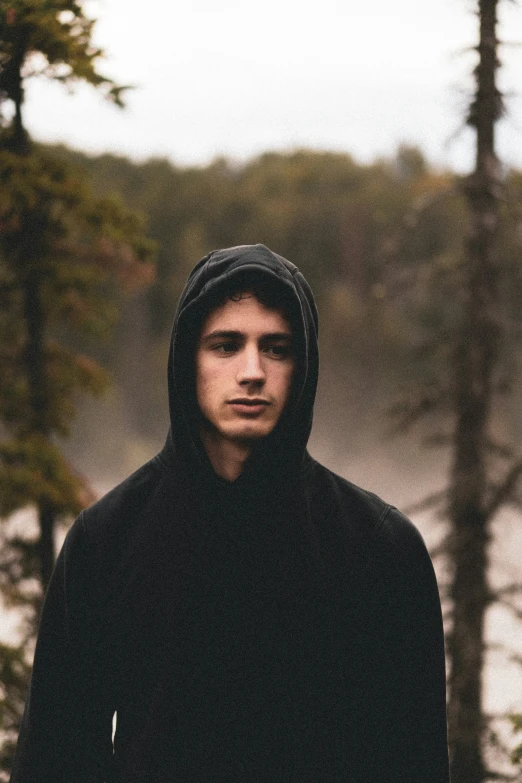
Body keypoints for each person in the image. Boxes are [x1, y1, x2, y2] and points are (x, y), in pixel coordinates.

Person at [10, 244, 449, 782]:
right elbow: (56, 759)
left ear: (303, 366)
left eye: (277, 348)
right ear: (186, 359)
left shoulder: (380, 548)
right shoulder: (107, 540)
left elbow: (412, 761)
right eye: (225, 345)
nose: (252, 371)